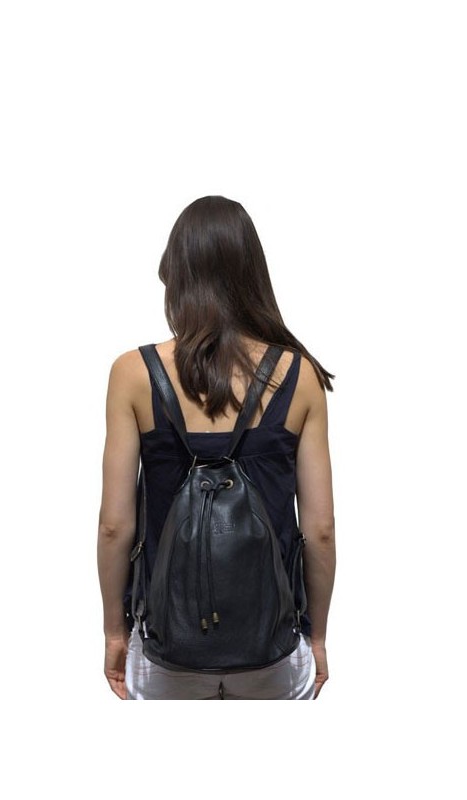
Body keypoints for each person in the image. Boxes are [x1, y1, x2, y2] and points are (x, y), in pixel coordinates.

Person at [97, 196, 336, 700]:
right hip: (272, 647)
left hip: (167, 645)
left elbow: (115, 525)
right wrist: (316, 638)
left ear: (176, 274)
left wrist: (115, 634)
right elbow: (320, 529)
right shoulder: (300, 376)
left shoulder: (133, 374)